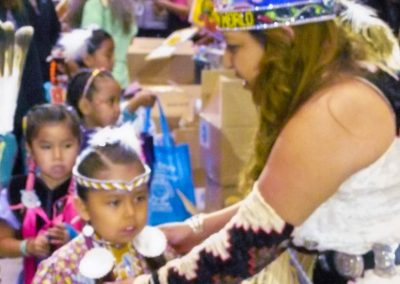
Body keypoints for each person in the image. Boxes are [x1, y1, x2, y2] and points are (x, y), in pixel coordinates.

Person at [112, 0, 400, 283]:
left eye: (235, 46)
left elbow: (245, 247)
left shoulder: (336, 110)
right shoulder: (347, 79)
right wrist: (196, 229)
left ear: (284, 40)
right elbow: (284, 203)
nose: (227, 61)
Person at [32, 126, 175, 283]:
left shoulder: (162, 250)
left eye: (139, 198)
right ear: (83, 208)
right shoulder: (62, 268)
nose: (130, 212)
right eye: (115, 202)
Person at [0, 104, 83, 284]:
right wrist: (27, 246)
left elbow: (109, 240)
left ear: (78, 144)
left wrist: (75, 239)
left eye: (67, 145)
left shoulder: (89, 190)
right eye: (46, 147)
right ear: (30, 148)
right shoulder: (16, 191)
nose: (58, 156)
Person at [66, 69, 156, 149]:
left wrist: (136, 104)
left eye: (119, 101)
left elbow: (124, 120)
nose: (118, 109)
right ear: (85, 107)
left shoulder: (108, 130)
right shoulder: (88, 144)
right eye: (111, 102)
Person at [80, 0, 137, 88]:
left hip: (101, 82)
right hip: (123, 79)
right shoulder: (127, 9)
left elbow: (90, 41)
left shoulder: (94, 5)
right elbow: (131, 39)